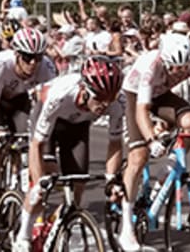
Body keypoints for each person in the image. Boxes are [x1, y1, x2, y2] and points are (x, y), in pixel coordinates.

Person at [114, 32, 190, 251]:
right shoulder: (152, 66)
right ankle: (126, 228)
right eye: (175, 69)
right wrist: (151, 140)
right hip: (134, 95)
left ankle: (168, 165)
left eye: (184, 69)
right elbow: (142, 111)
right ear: (165, 61)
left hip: (161, 94)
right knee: (138, 157)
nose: (180, 74)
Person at [11, 57, 126, 252]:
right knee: (41, 185)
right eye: (99, 98)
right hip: (48, 120)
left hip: (77, 127)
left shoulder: (117, 102)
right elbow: (36, 145)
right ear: (85, 90)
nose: (104, 106)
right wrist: (38, 183)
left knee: (77, 189)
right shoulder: (60, 95)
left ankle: (54, 227)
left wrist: (112, 180)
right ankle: (23, 236)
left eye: (109, 99)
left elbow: (115, 144)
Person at [0, 29, 57, 233]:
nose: (33, 63)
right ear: (17, 54)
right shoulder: (2, 63)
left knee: (27, 140)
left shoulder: (46, 67)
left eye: (37, 57)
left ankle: (17, 179)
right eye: (27, 58)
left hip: (19, 99)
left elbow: (48, 109)